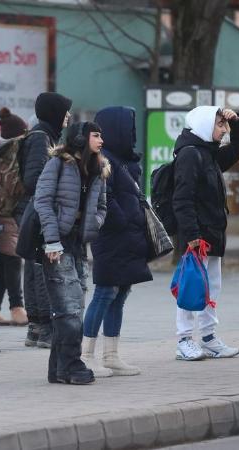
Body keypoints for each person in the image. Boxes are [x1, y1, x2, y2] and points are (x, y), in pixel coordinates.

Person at [35, 121, 109, 385]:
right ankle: (72, 365)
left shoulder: (97, 169)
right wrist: (52, 241)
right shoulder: (58, 164)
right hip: (57, 245)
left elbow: (102, 206)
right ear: (81, 138)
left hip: (78, 244)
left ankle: (58, 369)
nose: (101, 140)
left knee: (74, 307)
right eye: (96, 135)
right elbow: (41, 201)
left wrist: (95, 223)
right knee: (68, 307)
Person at [172, 106, 239, 362]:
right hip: (198, 237)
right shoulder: (191, 155)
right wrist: (192, 235)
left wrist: (237, 121)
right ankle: (184, 340)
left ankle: (208, 337)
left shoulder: (209, 153)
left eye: (224, 125)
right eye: (220, 124)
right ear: (204, 125)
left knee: (211, 287)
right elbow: (182, 198)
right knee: (191, 287)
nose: (224, 130)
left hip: (213, 234)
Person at [82, 106, 151, 377]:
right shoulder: (103, 160)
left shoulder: (125, 162)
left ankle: (111, 355)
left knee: (120, 295)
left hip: (128, 238)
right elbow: (103, 199)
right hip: (112, 238)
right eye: (129, 128)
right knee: (104, 293)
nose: (132, 134)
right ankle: (86, 355)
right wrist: (123, 220)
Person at [16, 92, 73, 348]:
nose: (68, 117)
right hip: (41, 211)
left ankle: (36, 328)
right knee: (41, 268)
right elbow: (34, 179)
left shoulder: (43, 136)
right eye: (65, 111)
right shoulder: (41, 138)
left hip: (37, 209)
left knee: (35, 267)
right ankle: (45, 328)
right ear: (54, 113)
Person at [0, 107, 28, 326]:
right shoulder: (12, 154)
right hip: (8, 212)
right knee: (12, 260)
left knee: (4, 264)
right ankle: (16, 307)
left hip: (0, 212)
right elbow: (14, 186)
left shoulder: (1, 152)